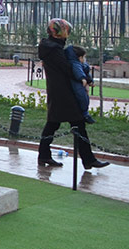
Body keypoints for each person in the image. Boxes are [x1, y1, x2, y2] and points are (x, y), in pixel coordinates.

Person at [37, 18, 108, 169]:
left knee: (57, 124)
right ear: (59, 32)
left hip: (59, 91)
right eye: (65, 31)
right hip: (62, 93)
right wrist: (85, 77)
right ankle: (87, 160)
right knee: (73, 124)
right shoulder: (54, 50)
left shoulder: (51, 47)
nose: (67, 34)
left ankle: (46, 156)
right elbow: (68, 68)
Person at [66, 44, 95, 124]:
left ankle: (85, 112)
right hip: (77, 82)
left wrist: (90, 81)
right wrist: (82, 78)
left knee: (84, 96)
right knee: (81, 95)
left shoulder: (81, 64)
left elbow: (86, 72)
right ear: (80, 58)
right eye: (84, 57)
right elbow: (78, 71)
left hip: (81, 82)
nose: (85, 59)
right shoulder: (76, 64)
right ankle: (84, 113)